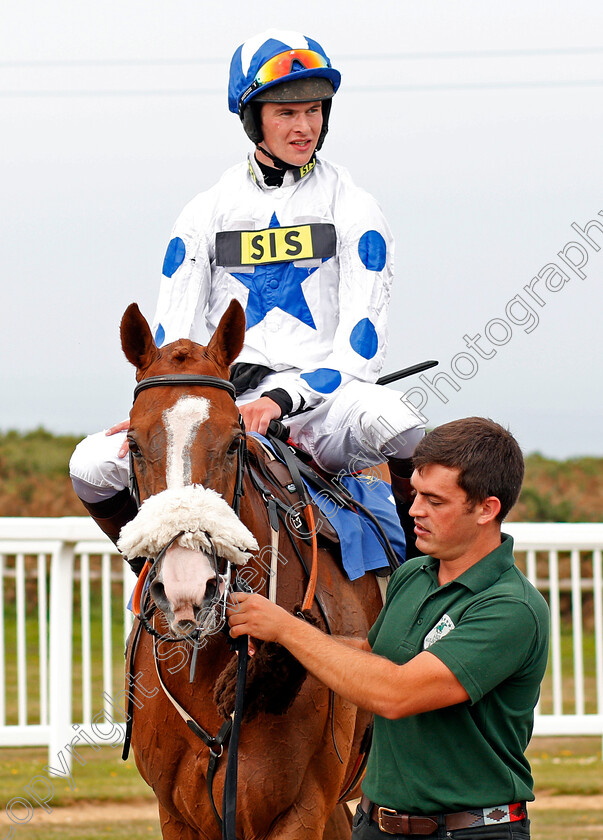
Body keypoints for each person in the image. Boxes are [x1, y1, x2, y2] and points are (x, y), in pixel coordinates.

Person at [69, 28, 425, 568]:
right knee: (89, 464)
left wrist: (279, 403)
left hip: (323, 408)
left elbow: (361, 352)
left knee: (400, 423)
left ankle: (422, 575)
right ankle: (154, 571)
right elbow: (173, 338)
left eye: (313, 110)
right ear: (251, 117)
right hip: (219, 402)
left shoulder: (355, 208)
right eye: (285, 113)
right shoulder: (205, 212)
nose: (303, 126)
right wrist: (157, 404)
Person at [227, 417, 550, 840]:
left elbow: (396, 692)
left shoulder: (511, 607)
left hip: (469, 832)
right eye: (415, 493)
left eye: (435, 500)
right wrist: (283, 646)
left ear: (487, 509)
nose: (414, 509)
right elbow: (374, 655)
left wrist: (289, 630)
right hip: (375, 825)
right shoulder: (413, 575)